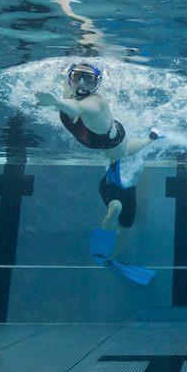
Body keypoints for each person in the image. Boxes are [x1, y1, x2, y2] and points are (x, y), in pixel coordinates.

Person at [36, 62, 160, 282]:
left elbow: (79, 109)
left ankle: (149, 142)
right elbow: (74, 106)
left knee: (126, 152)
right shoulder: (72, 92)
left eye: (89, 78)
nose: (82, 83)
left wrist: (55, 101)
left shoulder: (98, 103)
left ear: (97, 83)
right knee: (128, 154)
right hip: (105, 148)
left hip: (111, 142)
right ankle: (150, 140)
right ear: (69, 77)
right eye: (77, 76)